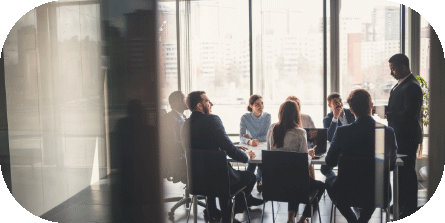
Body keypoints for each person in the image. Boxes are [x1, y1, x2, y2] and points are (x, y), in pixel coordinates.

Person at [181, 91, 264, 223]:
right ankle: (231, 212)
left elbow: (204, 147)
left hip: (197, 180)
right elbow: (229, 149)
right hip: (220, 180)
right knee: (250, 177)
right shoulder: (213, 119)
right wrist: (247, 157)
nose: (211, 103)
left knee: (217, 176)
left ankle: (213, 210)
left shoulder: (185, 124)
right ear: (199, 106)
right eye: (207, 101)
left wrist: (231, 148)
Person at [320, 89, 398, 223]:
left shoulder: (343, 132)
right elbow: (391, 166)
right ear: (371, 106)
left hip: (347, 191)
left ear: (350, 110)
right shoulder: (387, 132)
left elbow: (329, 161)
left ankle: (352, 219)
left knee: (329, 180)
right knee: (373, 188)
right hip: (379, 192)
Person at [266, 100, 326, 223]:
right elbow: (304, 162)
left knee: (293, 178)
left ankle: (290, 218)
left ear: (280, 113)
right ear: (296, 114)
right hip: (296, 185)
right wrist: (309, 155)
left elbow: (269, 153)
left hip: (275, 185)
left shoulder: (272, 128)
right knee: (318, 185)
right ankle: (302, 219)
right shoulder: (300, 132)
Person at [386, 54, 423, 218]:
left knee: (407, 173)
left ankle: (409, 208)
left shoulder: (412, 86)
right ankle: (400, 203)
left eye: (393, 68)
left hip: (407, 137)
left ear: (403, 67)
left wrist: (390, 114)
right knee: (400, 173)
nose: (391, 72)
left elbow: (409, 114)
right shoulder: (400, 84)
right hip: (399, 136)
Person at [240, 94, 271, 193]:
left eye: (262, 103)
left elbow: (267, 135)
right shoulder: (245, 117)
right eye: (257, 104)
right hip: (251, 146)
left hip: (262, 146)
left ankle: (258, 182)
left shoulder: (267, 116)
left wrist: (252, 139)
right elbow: (241, 136)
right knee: (252, 161)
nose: (261, 106)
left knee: (262, 160)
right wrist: (249, 141)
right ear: (251, 105)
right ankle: (247, 185)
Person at [161, 91, 188, 183]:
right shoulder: (169, 118)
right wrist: (191, 146)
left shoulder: (182, 117)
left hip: (184, 158)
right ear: (175, 102)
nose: (186, 100)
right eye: (183, 98)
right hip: (178, 161)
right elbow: (172, 143)